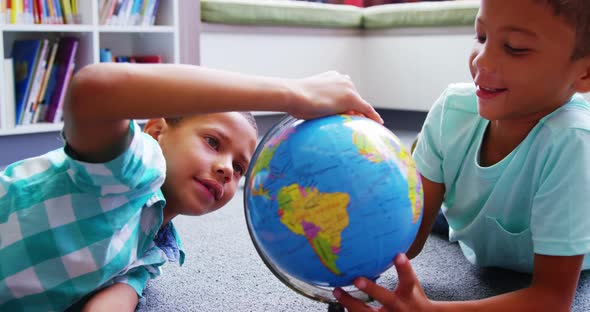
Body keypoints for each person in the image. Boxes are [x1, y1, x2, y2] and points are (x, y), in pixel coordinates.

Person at [0, 62, 382, 311]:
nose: (225, 170)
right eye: (213, 142)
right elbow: (92, 90)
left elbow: (117, 295)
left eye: (238, 167)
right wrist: (292, 93)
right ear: (155, 130)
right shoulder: (134, 168)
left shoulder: (155, 248)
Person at [334, 0, 590, 311]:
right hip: (473, 215)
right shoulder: (453, 108)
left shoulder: (573, 142)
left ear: (585, 72)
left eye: (515, 47)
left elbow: (552, 299)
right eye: (481, 37)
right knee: (408, 198)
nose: (483, 60)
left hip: (575, 223)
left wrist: (430, 310)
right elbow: (409, 239)